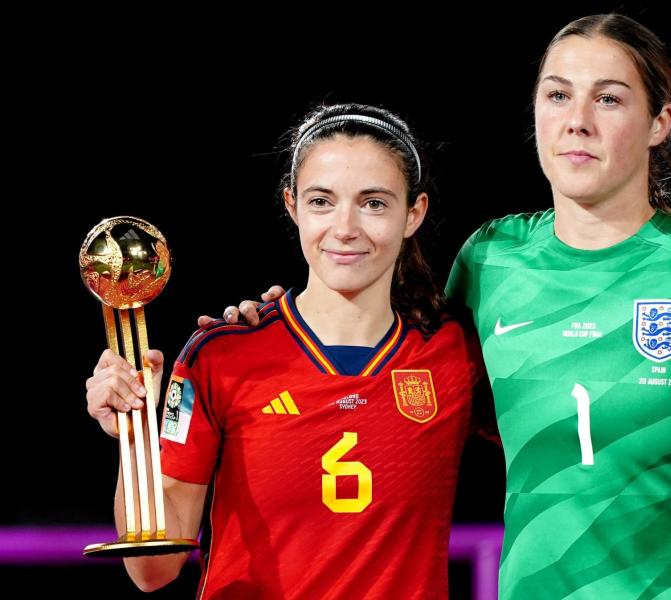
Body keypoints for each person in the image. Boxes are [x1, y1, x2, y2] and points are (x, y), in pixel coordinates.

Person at [215, 14, 671, 599]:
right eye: (557, 95)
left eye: (610, 99)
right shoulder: (490, 258)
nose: (577, 121)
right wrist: (275, 329)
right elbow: (406, 383)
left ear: (659, 122)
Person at [85, 103, 485, 599]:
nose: (345, 228)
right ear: (292, 205)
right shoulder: (219, 357)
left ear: (414, 213)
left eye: (374, 203)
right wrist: (134, 433)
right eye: (322, 201)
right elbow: (153, 571)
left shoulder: (455, 353)